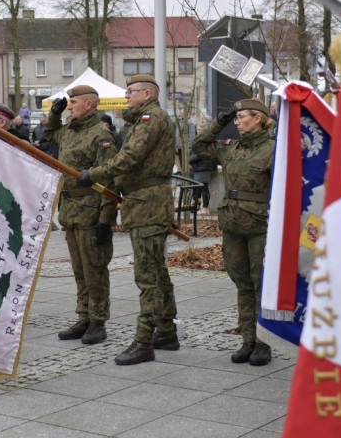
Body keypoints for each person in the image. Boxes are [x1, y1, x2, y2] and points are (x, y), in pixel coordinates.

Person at [78, 74, 177, 365]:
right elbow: (128, 166)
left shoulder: (150, 118)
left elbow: (129, 158)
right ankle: (167, 330)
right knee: (157, 271)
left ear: (147, 93)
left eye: (131, 91)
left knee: (147, 275)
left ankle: (144, 340)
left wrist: (94, 174)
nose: (125, 95)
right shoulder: (140, 121)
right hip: (142, 202)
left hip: (148, 203)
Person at [192, 99, 275, 366]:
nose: (237, 122)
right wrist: (220, 121)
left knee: (260, 284)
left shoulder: (273, 149)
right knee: (242, 283)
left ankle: (264, 343)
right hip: (233, 224)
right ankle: (248, 339)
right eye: (236, 118)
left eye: (241, 117)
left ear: (258, 119)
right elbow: (199, 146)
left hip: (260, 224)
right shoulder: (232, 148)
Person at [45, 86, 119, 345]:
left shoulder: (100, 135)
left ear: (89, 104)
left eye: (73, 102)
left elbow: (110, 178)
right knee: (79, 270)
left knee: (94, 269)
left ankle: (98, 322)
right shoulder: (69, 131)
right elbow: (49, 133)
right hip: (71, 211)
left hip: (91, 212)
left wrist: (105, 219)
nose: (70, 106)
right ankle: (83, 316)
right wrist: (54, 114)